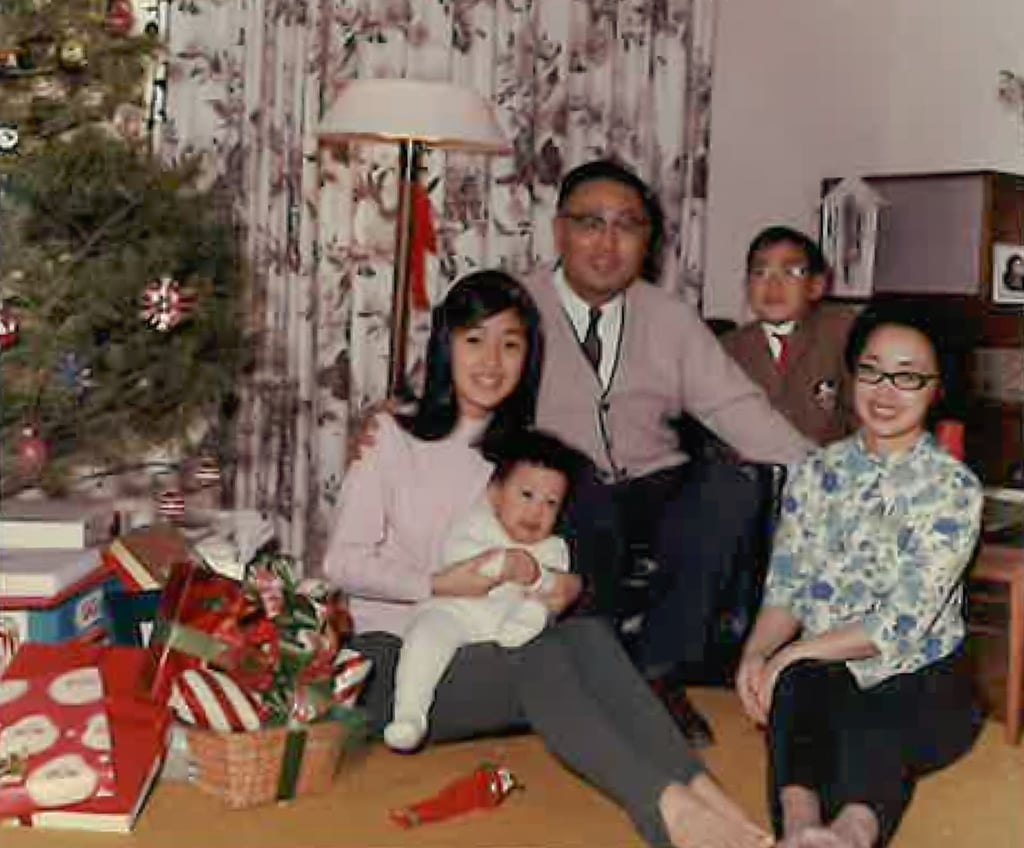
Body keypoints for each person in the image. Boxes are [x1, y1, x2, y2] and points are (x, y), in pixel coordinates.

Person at [324, 269, 772, 848]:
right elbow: (341, 563)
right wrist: (439, 583)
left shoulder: (524, 456)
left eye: (510, 344)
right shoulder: (389, 433)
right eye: (474, 340)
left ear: (528, 356)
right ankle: (665, 810)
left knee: (585, 635)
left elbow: (552, 559)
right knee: (540, 656)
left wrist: (566, 587)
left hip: (481, 644)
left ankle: (705, 793)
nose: (492, 362)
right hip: (393, 662)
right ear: (445, 346)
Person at [522, 160, 812, 711]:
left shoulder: (671, 318)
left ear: (648, 240)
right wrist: (400, 423)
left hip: (654, 481)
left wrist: (833, 472)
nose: (608, 243)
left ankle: (657, 675)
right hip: (560, 487)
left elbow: (737, 408)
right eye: (590, 223)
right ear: (559, 231)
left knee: (732, 485)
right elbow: (460, 386)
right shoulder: (517, 304)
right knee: (585, 496)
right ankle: (596, 679)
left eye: (627, 226)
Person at [734, 301, 983, 848]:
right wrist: (758, 653)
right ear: (851, 375)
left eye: (908, 376)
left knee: (875, 708)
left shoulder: (954, 489)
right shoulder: (814, 472)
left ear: (937, 388)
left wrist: (791, 654)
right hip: (825, 675)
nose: (885, 390)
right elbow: (787, 587)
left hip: (924, 683)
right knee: (801, 690)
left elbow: (898, 627)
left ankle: (852, 835)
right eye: (871, 370)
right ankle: (799, 830)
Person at [384, 429, 583, 752]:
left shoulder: (552, 547)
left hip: (508, 620)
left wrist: (537, 577)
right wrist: (501, 563)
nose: (536, 512)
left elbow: (556, 588)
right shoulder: (476, 523)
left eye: (550, 503)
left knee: (539, 612)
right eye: (526, 495)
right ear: (495, 492)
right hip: (459, 614)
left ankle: (519, 631)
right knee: (426, 635)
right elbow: (458, 557)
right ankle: (409, 715)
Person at [722, 226, 856, 447]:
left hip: (828, 461)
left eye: (791, 272)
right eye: (760, 273)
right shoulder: (727, 349)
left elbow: (864, 413)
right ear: (746, 287)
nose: (774, 285)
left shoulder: (840, 331)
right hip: (752, 463)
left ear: (816, 286)